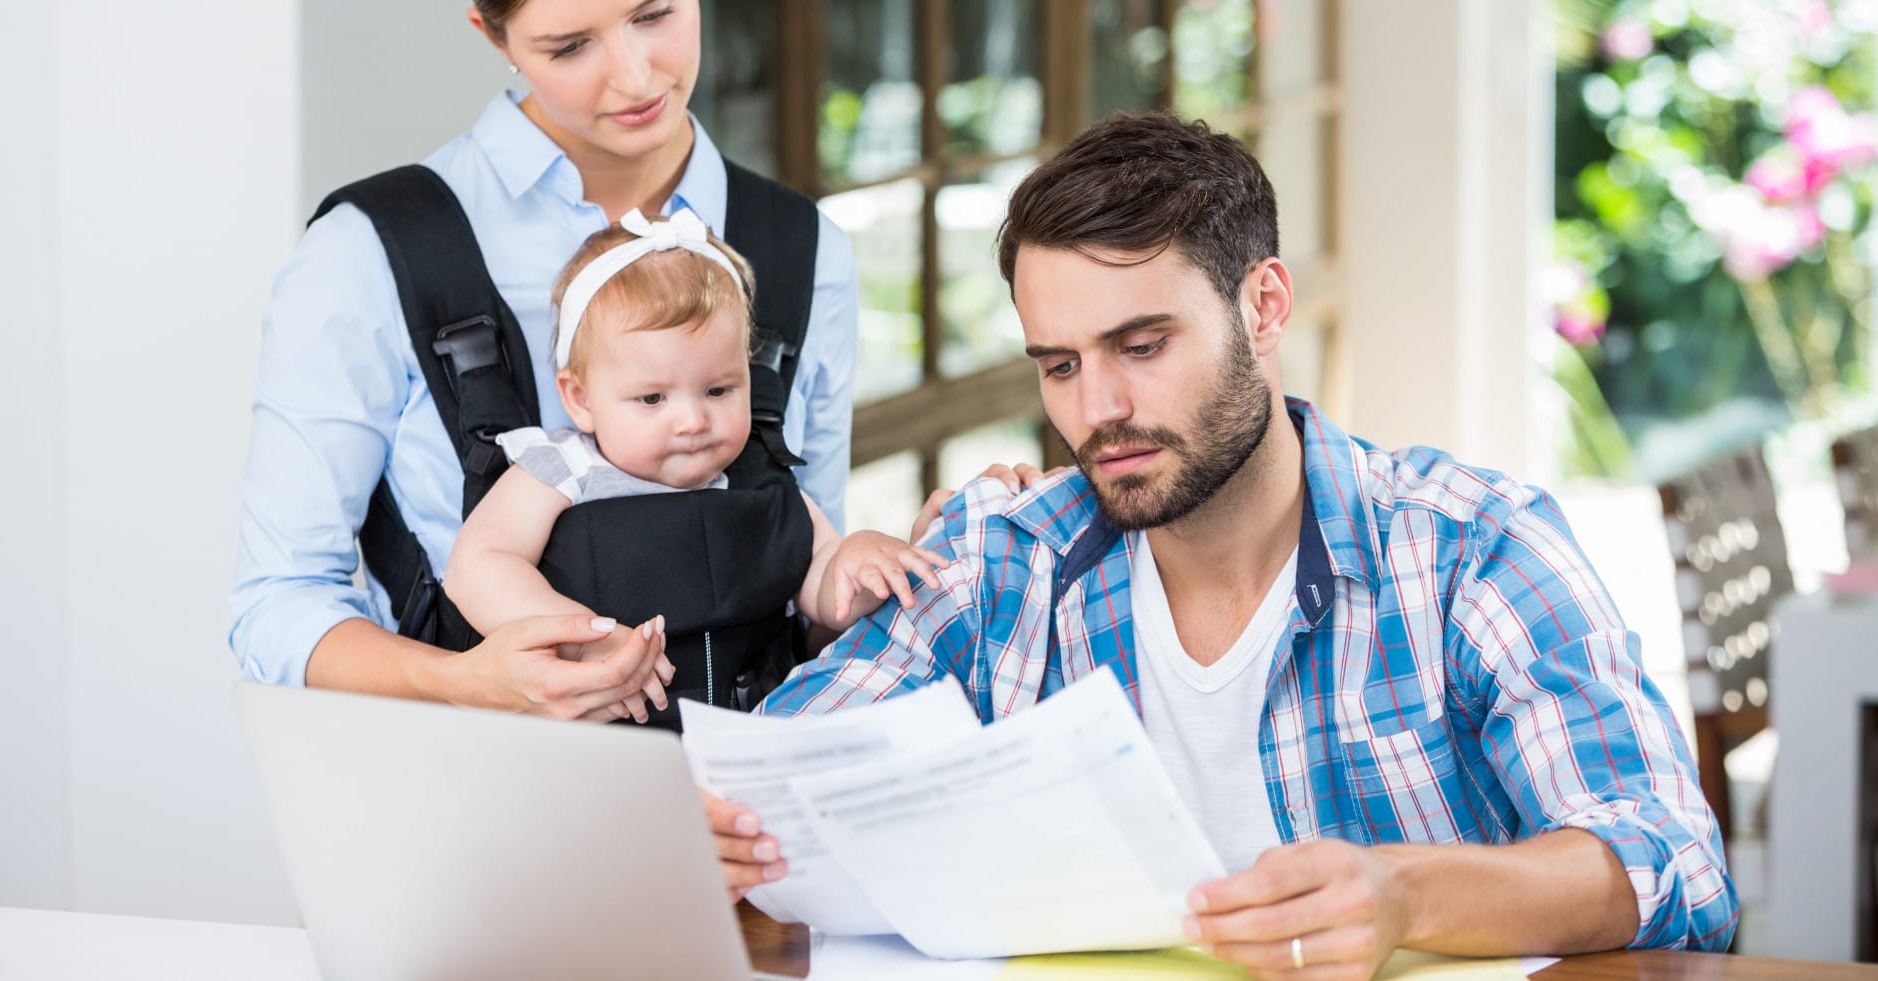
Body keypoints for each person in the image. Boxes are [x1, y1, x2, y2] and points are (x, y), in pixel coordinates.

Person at [706, 113, 1736, 971]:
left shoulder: (1468, 549)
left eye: (1140, 345)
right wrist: (716, 833)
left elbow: (1671, 859)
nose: (1098, 408)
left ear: (1263, 306)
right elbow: (773, 786)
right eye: (1057, 365)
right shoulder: (995, 560)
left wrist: (1400, 893)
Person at [228, 0, 857, 723]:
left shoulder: (802, 251)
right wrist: (466, 679)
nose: (636, 77)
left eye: (656, 13)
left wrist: (886, 575)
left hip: (755, 821)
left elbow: (811, 586)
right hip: (487, 808)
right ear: (491, 34)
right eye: (569, 47)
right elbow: (275, 603)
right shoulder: (370, 255)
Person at [443, 208, 947, 713]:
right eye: (652, 399)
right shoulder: (562, 468)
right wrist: (580, 636)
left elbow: (821, 583)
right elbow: (478, 566)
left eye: (718, 390)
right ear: (580, 399)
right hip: (601, 745)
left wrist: (858, 564)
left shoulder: (760, 478)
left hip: (751, 733)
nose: (691, 421)